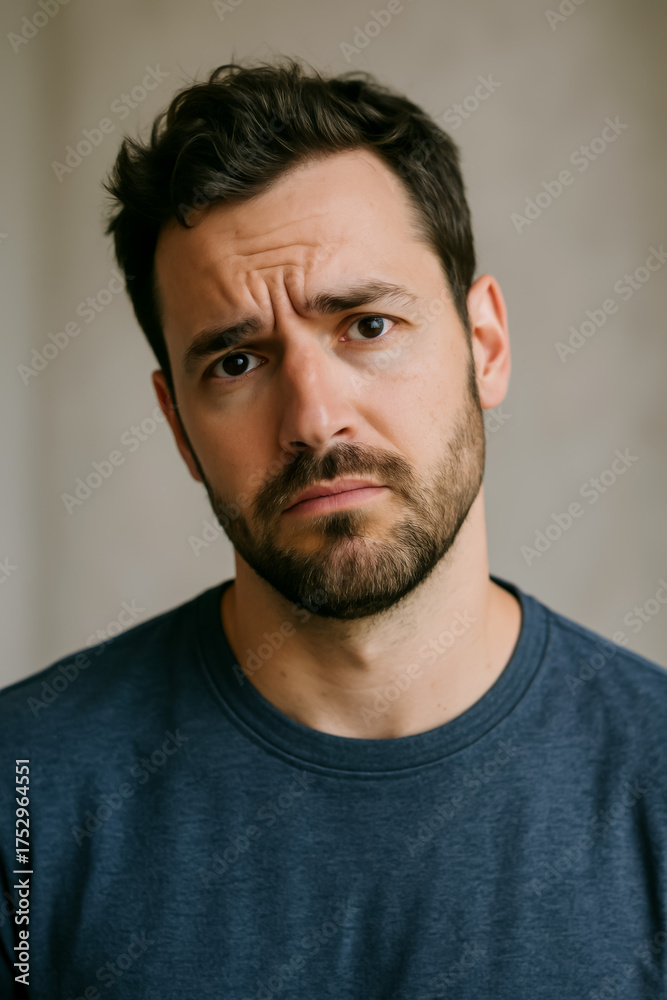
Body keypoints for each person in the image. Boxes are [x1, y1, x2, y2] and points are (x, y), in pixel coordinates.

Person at [1, 58, 665, 1000]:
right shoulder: (22, 797)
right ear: (178, 425)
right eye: (235, 361)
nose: (315, 419)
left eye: (366, 326)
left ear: (485, 347)